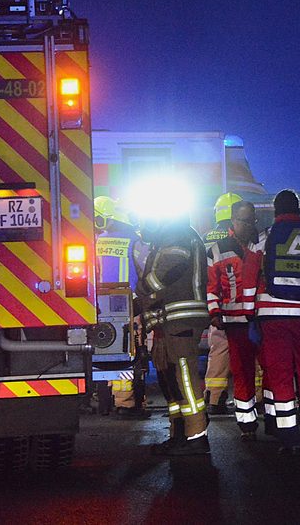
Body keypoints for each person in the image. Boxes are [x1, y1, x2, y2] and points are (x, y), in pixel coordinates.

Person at [244, 190, 300, 455]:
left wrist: (249, 310)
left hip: (274, 318)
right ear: (298, 210)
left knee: (281, 376)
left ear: (275, 211)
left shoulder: (263, 237)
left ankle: (290, 438)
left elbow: (249, 276)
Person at [134, 211, 212, 456]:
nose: (143, 227)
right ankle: (179, 433)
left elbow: (167, 271)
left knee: (184, 378)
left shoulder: (176, 235)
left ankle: (196, 435)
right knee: (171, 380)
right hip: (169, 321)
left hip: (180, 319)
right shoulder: (172, 236)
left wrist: (142, 290)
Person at [206, 200, 261, 441]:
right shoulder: (217, 250)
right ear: (233, 221)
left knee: (267, 368)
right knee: (241, 371)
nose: (248, 225)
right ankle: (246, 421)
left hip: (261, 317)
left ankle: (271, 414)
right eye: (243, 221)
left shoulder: (262, 245)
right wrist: (215, 313)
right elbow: (211, 287)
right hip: (233, 321)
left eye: (252, 221)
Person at [94, 196, 148, 417]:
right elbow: (145, 270)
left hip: (99, 304)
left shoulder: (97, 241)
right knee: (129, 351)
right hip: (129, 305)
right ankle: (126, 403)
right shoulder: (135, 242)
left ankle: (104, 401)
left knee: (103, 349)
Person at [202, 193, 245, 415]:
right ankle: (256, 398)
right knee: (251, 354)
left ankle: (214, 397)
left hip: (217, 306)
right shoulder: (243, 239)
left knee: (218, 351)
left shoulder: (205, 239)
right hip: (244, 307)